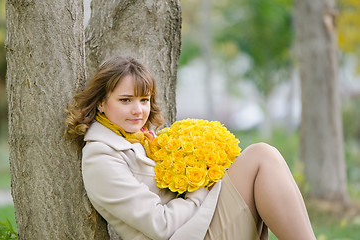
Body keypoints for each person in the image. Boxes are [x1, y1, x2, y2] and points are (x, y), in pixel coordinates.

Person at [65, 56, 316, 240]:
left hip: (198, 225)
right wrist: (201, 187)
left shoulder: (140, 139)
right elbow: (160, 225)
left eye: (144, 100)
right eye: (125, 100)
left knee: (263, 155)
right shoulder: (101, 156)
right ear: (100, 103)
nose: (138, 110)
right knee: (261, 155)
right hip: (188, 233)